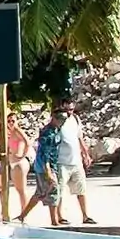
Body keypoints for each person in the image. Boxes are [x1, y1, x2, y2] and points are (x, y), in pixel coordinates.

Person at [36, 96, 95, 225]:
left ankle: (85, 216)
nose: (70, 112)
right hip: (61, 162)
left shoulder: (76, 119)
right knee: (60, 191)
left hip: (76, 161)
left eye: (72, 109)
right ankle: (59, 216)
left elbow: (79, 137)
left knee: (81, 190)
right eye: (67, 109)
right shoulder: (59, 122)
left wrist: (85, 154)